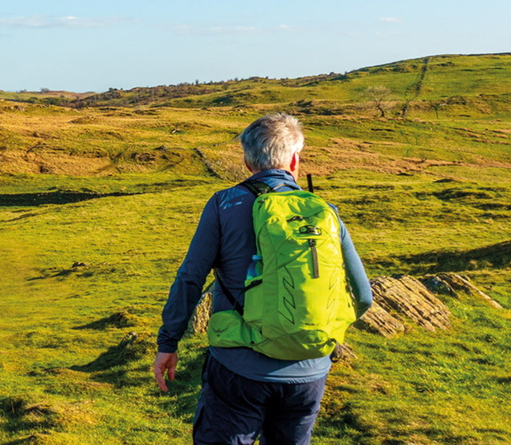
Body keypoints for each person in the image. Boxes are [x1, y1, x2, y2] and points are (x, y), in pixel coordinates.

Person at [152, 113, 374, 445]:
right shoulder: (323, 211)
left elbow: (190, 278)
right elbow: (364, 296)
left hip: (238, 368)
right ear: (295, 159)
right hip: (309, 372)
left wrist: (168, 343)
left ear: (246, 161)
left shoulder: (223, 204)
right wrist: (318, 332)